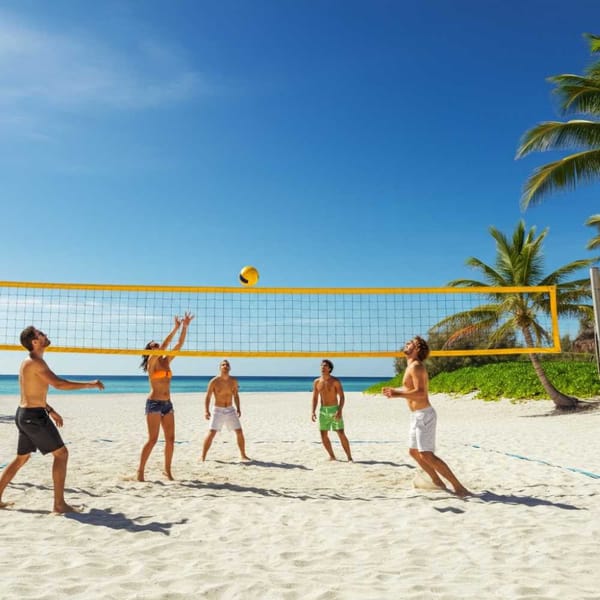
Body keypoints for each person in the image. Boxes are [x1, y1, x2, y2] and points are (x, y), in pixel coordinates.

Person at [0, 326, 104, 513]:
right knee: (61, 454)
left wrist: (50, 409)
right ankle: (59, 504)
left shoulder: (31, 362)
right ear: (34, 341)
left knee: (21, 458)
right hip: (33, 417)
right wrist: (90, 384)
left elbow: (33, 392)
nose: (45, 335)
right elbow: (59, 384)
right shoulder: (34, 362)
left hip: (25, 414)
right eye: (41, 334)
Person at [382, 336, 470, 497]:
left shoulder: (416, 366)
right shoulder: (410, 367)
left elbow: (421, 393)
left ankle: (459, 487)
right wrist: (394, 390)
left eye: (410, 343)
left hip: (424, 415)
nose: (406, 344)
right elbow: (410, 387)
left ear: (416, 349)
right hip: (416, 415)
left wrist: (398, 394)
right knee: (414, 452)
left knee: (426, 454)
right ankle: (437, 481)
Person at [137, 312, 194, 482]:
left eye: (157, 345)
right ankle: (140, 471)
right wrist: (175, 327)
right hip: (154, 403)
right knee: (153, 439)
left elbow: (179, 344)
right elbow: (166, 344)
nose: (157, 347)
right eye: (153, 346)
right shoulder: (151, 363)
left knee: (171, 439)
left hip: (167, 404)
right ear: (149, 350)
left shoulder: (166, 361)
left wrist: (184, 327)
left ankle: (167, 471)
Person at [202, 359, 250, 461]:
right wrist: (206, 411)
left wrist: (238, 408)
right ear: (220, 368)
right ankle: (203, 456)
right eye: (223, 365)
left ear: (230, 368)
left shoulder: (233, 381)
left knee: (239, 431)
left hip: (230, 409)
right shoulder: (214, 381)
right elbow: (208, 396)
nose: (225, 366)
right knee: (211, 433)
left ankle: (243, 455)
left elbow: (236, 395)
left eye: (227, 365)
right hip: (218, 410)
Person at [311, 359, 353, 461]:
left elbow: (342, 397)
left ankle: (349, 457)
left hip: (334, 409)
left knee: (340, 433)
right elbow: (315, 398)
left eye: (325, 366)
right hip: (323, 411)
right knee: (323, 434)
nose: (322, 367)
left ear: (329, 369)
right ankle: (332, 456)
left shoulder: (335, 381)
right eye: (321, 366)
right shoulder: (317, 381)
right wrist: (312, 411)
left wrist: (339, 410)